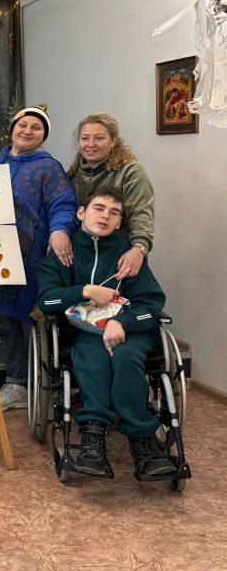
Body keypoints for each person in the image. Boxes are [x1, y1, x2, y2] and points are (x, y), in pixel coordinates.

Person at [37, 186, 175, 478]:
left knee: (126, 357)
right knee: (94, 356)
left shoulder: (129, 256)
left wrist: (122, 322)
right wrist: (85, 291)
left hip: (132, 332)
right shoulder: (63, 253)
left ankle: (142, 441)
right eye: (99, 208)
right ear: (81, 212)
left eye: (114, 213)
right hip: (85, 332)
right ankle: (93, 437)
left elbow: (152, 303)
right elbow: (46, 300)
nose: (105, 216)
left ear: (119, 221)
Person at [0, 105, 78, 411]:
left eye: (36, 128)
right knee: (3, 319)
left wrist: (60, 230)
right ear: (12, 128)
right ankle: (16, 382)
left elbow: (63, 204)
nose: (27, 131)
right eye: (23, 125)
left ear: (43, 136)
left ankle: (36, 383)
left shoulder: (48, 167)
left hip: (30, 255)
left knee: (28, 318)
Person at [67, 112, 155, 279]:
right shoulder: (72, 174)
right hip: (81, 258)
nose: (90, 144)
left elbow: (141, 214)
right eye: (85, 138)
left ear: (113, 141)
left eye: (99, 138)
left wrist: (139, 249)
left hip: (119, 257)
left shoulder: (131, 172)